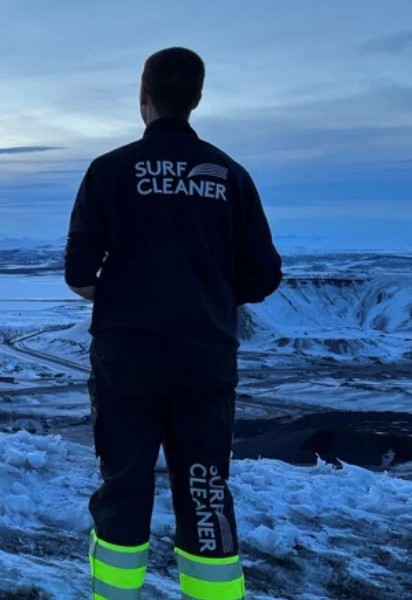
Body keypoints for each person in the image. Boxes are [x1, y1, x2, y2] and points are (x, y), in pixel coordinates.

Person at [65, 47, 282, 599]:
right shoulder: (229, 174)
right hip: (204, 360)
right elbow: (263, 276)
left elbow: (78, 272)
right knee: (206, 489)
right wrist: (205, 293)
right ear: (197, 98)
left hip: (127, 361)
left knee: (124, 487)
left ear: (144, 96)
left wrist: (124, 295)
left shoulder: (109, 171)